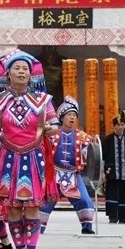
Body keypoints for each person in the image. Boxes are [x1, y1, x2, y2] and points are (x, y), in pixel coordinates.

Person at [0, 50, 59, 249]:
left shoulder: (43, 100)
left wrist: (51, 130)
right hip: (8, 157)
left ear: (31, 75)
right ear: (8, 73)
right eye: (17, 68)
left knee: (32, 206)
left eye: (25, 69)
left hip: (34, 157)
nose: (21, 72)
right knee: (13, 207)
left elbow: (55, 125)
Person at [39, 96, 96, 235]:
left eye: (74, 115)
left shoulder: (82, 137)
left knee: (85, 200)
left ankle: (87, 228)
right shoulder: (52, 134)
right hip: (54, 174)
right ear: (62, 117)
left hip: (73, 174)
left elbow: (92, 154)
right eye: (69, 115)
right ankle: (37, 229)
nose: (72, 118)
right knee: (45, 202)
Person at [101, 111, 125, 224]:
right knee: (111, 192)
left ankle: (124, 216)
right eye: (118, 125)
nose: (120, 127)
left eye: (122, 124)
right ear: (114, 126)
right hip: (111, 171)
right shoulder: (108, 140)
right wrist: (102, 172)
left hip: (124, 171)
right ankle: (113, 216)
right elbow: (103, 156)